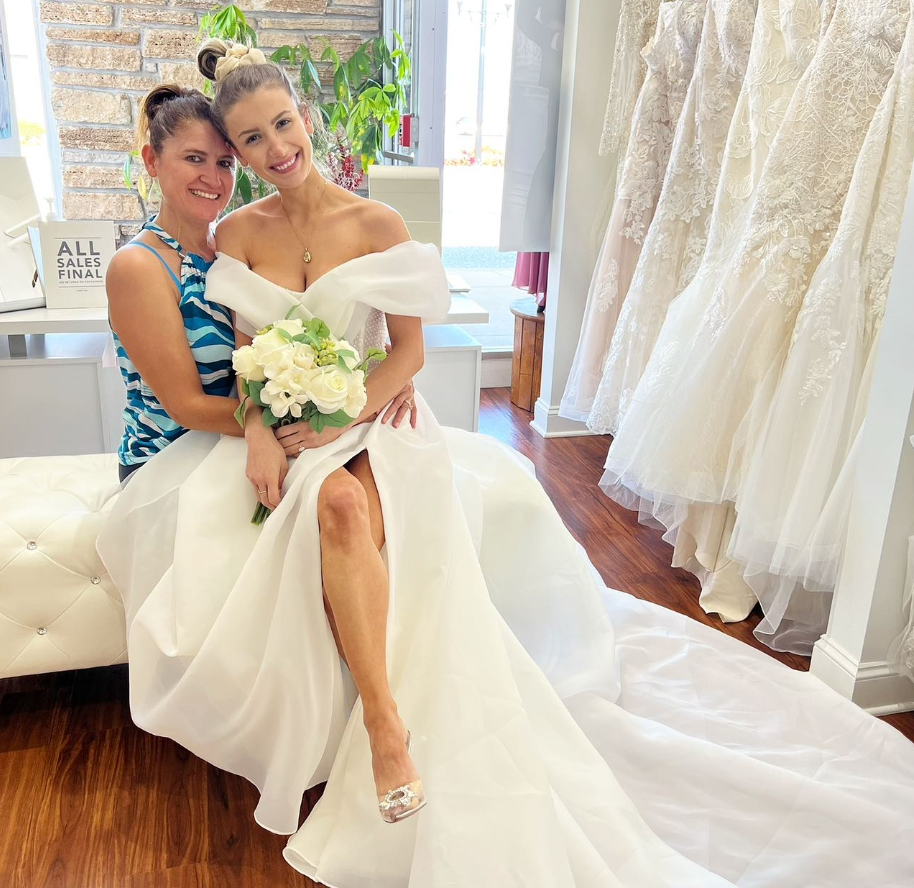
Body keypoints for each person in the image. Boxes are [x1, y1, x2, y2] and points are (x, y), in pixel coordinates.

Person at [97, 41, 914, 888]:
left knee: (366, 505)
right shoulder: (234, 234)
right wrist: (266, 425)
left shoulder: (377, 225)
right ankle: (386, 726)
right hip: (297, 437)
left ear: (306, 116)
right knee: (337, 510)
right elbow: (245, 352)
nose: (271, 151)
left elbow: (407, 354)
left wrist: (358, 404)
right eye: (246, 143)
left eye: (280, 125)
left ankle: (385, 723)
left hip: (368, 419)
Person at [106, 84, 417, 487]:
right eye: (193, 158)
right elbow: (185, 407)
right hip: (169, 458)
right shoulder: (138, 266)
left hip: (239, 443)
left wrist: (380, 378)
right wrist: (279, 423)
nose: (212, 178)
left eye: (224, 163)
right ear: (151, 160)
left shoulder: (228, 249)